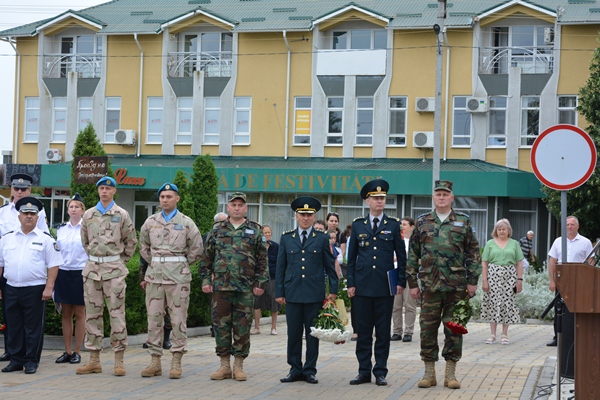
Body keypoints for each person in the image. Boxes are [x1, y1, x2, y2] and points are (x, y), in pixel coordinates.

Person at [407, 180, 481, 390]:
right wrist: (413, 283)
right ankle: (429, 372)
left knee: (454, 329)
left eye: (445, 194)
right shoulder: (422, 222)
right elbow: (413, 254)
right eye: (438, 194)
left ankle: (451, 373)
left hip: (456, 287)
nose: (441, 197)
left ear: (451, 198)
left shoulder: (463, 222)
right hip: (429, 286)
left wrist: (473, 281)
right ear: (433, 197)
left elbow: (473, 253)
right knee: (427, 329)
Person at [200, 192, 268, 381]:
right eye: (233, 205)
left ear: (246, 208)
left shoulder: (255, 229)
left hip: (245, 288)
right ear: (227, 208)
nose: (237, 208)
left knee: (242, 327)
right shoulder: (217, 229)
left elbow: (263, 259)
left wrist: (260, 282)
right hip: (221, 287)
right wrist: (206, 281)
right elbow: (206, 258)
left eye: (240, 205)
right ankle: (224, 365)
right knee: (221, 327)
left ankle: (238, 365)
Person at [139, 182, 204, 379]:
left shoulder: (186, 222)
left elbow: (197, 248)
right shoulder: (150, 222)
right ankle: (155, 361)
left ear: (177, 198)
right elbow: (143, 246)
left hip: (178, 278)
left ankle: (176, 360)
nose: (165, 200)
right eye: (162, 197)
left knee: (178, 320)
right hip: (155, 277)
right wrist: (157, 263)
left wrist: (180, 264)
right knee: (154, 320)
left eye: (169, 196)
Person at [347, 179, 405, 387]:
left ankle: (380, 371)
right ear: (367, 201)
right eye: (376, 198)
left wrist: (400, 281)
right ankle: (363, 371)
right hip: (362, 286)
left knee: (382, 332)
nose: (380, 201)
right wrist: (350, 283)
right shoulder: (357, 225)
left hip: (384, 286)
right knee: (363, 332)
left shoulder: (393, 225)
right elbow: (351, 258)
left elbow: (402, 256)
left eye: (382, 198)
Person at [76, 176, 137, 376]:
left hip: (114, 271)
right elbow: (85, 241)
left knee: (117, 314)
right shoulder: (89, 215)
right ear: (98, 191)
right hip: (93, 270)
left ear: (114, 191)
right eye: (101, 188)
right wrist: (95, 259)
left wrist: (119, 262)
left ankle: (118, 360)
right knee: (92, 315)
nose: (104, 191)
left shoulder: (121, 214)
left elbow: (131, 241)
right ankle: (94, 359)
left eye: (107, 189)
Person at [276, 196, 338, 385]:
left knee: (313, 334)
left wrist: (333, 291)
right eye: (302, 214)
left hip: (314, 294)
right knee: (293, 334)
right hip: (293, 293)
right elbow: (280, 267)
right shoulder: (287, 238)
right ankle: (295, 369)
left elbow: (330, 267)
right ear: (296, 216)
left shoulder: (322, 238)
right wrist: (279, 292)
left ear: (314, 216)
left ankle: (310, 370)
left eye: (309, 215)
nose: (305, 218)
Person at [0, 197, 63, 374]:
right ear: (19, 216)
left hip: (35, 288)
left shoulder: (46, 240)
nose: (29, 216)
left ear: (37, 217)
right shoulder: (7, 239)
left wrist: (49, 287)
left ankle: (31, 361)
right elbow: (0, 263)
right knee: (13, 327)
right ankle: (15, 360)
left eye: (32, 214)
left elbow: (54, 264)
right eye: (25, 213)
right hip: (11, 287)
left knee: (33, 328)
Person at [0, 173, 49, 363]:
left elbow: (43, 236)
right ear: (11, 189)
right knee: (9, 314)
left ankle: (30, 354)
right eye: (16, 188)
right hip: (8, 265)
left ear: (29, 190)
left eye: (24, 189)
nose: (20, 192)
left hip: (30, 265)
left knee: (30, 318)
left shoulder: (38, 212)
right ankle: (12, 352)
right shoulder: (3, 212)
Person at [546, 216, 593, 347]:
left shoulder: (585, 242)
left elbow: (591, 263)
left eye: (572, 224)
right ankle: (558, 337)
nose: (569, 227)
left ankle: (578, 335)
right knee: (559, 308)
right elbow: (552, 262)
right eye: (567, 225)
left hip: (579, 281)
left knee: (579, 307)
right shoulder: (558, 242)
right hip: (562, 280)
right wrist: (552, 280)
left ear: (577, 226)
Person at [54, 193, 88, 365]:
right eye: (71, 207)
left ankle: (77, 351)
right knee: (66, 313)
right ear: (67, 210)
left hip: (80, 273)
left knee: (80, 313)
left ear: (83, 210)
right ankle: (67, 351)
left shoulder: (87, 228)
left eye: (77, 207)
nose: (74, 209)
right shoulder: (61, 229)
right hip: (63, 272)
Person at [481, 219, 524, 345]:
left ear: (508, 230)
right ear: (496, 231)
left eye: (504, 229)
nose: (501, 231)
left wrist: (519, 280)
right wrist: (484, 280)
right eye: (499, 229)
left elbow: (519, 263)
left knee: (508, 303)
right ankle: (492, 334)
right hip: (493, 276)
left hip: (510, 277)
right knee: (492, 302)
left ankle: (504, 333)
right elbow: (484, 262)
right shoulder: (490, 243)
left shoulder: (514, 243)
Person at [251, 224, 281, 336]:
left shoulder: (276, 247)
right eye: (265, 233)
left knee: (274, 301)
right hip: (259, 277)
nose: (267, 235)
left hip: (273, 276)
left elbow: (280, 262)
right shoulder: (257, 246)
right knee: (257, 301)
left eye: (269, 232)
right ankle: (257, 327)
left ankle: (273, 328)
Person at [391, 216, 417, 343]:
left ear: (412, 226)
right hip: (396, 273)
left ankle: (408, 331)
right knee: (396, 305)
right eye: (401, 224)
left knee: (409, 304)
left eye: (405, 224)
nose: (402, 226)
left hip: (410, 274)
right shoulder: (396, 239)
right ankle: (396, 331)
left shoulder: (415, 241)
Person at [139, 256, 173, 350]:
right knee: (153, 311)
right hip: (153, 278)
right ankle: (153, 339)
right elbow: (144, 259)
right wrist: (142, 278)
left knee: (170, 312)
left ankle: (166, 339)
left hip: (173, 276)